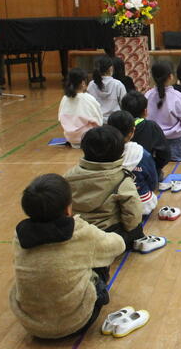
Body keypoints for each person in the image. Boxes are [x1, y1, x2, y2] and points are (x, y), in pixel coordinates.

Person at [9, 173, 124, 339]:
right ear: (68, 209)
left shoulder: (19, 235)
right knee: (100, 259)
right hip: (77, 324)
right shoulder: (80, 231)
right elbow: (118, 245)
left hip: (31, 325)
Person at [64, 125, 165, 253]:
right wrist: (133, 231)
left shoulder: (69, 175)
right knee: (135, 228)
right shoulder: (122, 178)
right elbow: (133, 213)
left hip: (78, 230)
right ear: (120, 151)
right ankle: (137, 241)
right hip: (109, 234)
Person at [108, 110, 159, 216]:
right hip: (143, 204)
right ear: (132, 131)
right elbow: (153, 182)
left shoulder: (103, 152)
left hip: (114, 204)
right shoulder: (142, 153)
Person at [144, 60, 181, 161]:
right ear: (171, 76)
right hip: (175, 145)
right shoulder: (178, 97)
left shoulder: (147, 95)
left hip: (154, 144)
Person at [120, 90, 171, 178]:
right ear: (145, 111)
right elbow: (165, 154)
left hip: (120, 173)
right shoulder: (151, 126)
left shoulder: (115, 124)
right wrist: (153, 166)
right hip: (145, 173)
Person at [58, 68, 103, 148]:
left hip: (71, 138)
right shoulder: (88, 98)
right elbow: (99, 121)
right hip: (88, 138)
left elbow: (60, 118)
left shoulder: (65, 98)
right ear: (83, 83)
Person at [86, 55, 127, 122]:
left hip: (96, 121)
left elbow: (88, 105)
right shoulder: (118, 84)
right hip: (115, 121)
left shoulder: (91, 84)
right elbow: (124, 104)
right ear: (111, 68)